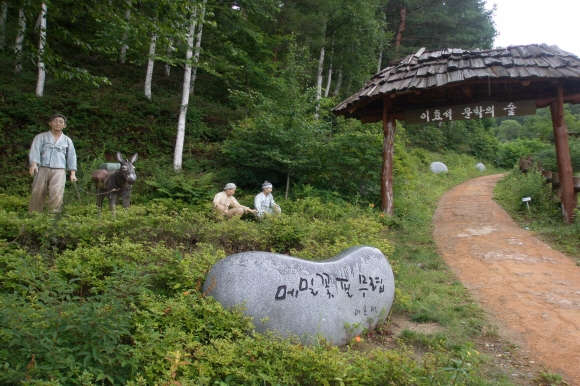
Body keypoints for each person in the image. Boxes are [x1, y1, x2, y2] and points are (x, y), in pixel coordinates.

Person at [28, 113, 77, 214]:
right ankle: (34, 215)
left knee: (57, 193)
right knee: (37, 192)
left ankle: (53, 216)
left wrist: (72, 174)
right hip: (42, 168)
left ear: (64, 125)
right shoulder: (41, 137)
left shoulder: (67, 140)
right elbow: (35, 150)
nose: (58, 124)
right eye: (55, 121)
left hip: (59, 170)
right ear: (50, 123)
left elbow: (72, 156)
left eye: (61, 122)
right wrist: (33, 164)